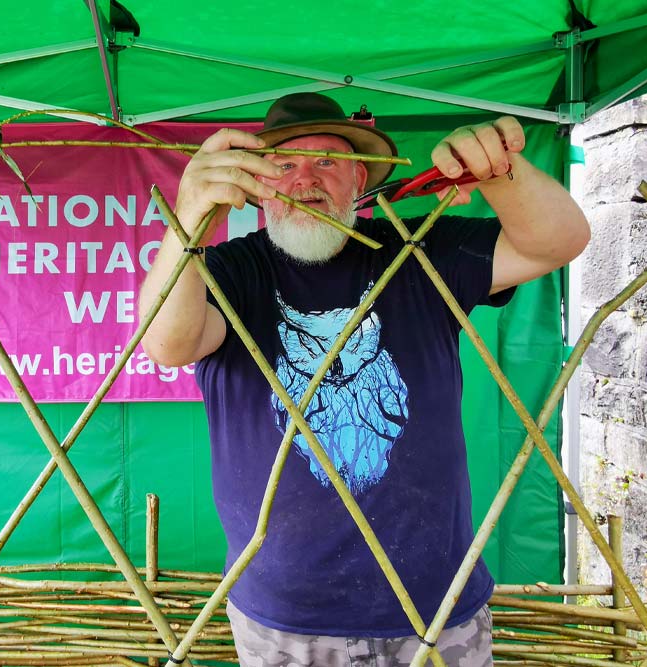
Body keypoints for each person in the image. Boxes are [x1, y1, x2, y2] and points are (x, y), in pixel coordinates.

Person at [138, 93, 590, 667]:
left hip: (437, 607)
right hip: (285, 616)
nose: (305, 179)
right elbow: (166, 343)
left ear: (358, 178)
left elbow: (559, 241)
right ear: (255, 184)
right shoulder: (229, 269)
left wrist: (502, 174)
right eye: (284, 164)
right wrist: (188, 222)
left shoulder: (420, 250)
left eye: (327, 162)